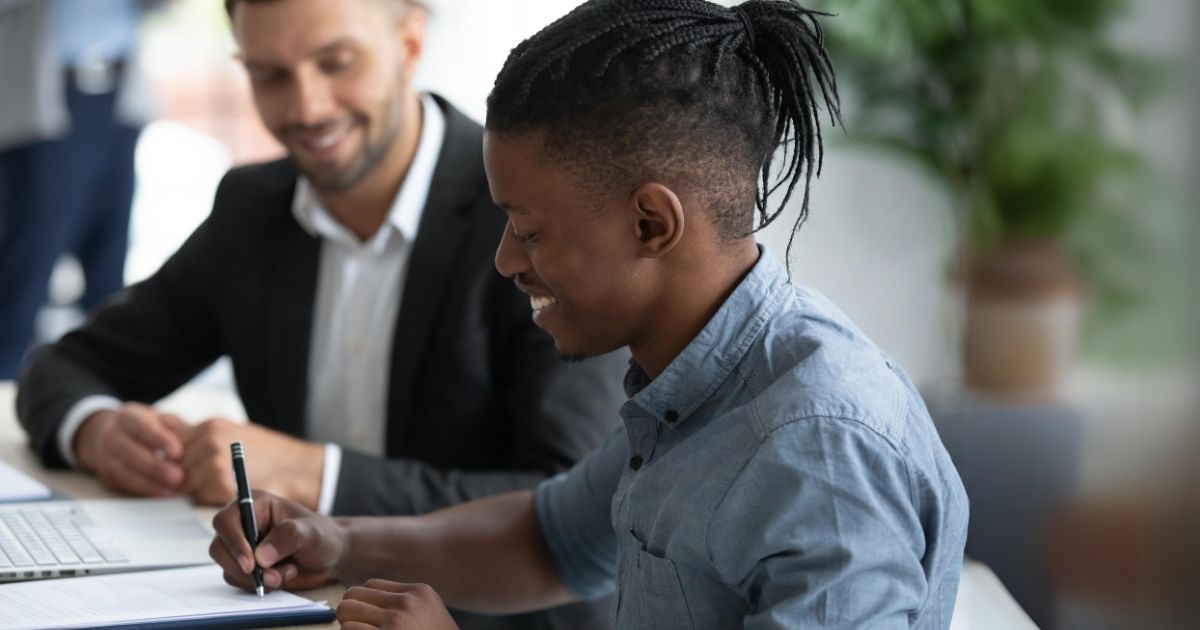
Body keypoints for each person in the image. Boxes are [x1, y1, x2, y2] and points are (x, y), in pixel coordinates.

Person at [208, 0, 971, 628]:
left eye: (530, 230)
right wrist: (336, 542)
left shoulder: (817, 454)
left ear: (651, 224)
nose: (506, 259)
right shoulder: (691, 380)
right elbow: (549, 543)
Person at [17, 0, 624, 627]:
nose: (306, 108)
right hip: (307, 611)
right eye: (270, 76)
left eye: (336, 63)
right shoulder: (253, 209)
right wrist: (96, 431)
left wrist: (320, 475)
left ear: (410, 44)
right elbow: (64, 366)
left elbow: (571, 496)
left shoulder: (526, 216)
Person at [0, 0, 166, 379]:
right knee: (30, 262)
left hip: (118, 94)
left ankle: (102, 390)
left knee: (109, 265)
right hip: (46, 99)